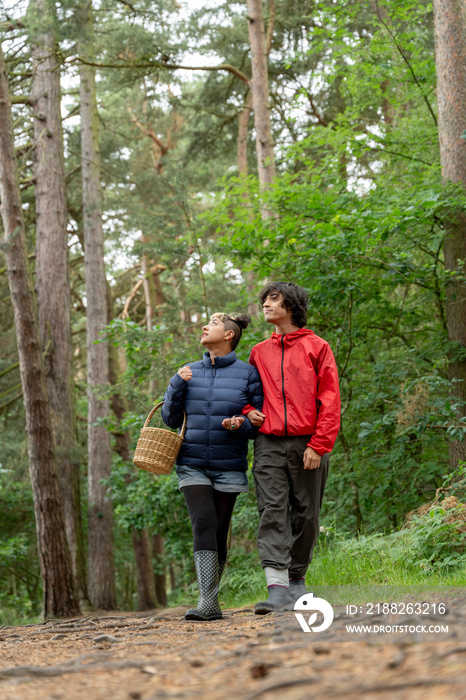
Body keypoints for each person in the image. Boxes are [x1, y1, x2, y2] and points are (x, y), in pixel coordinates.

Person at [241, 282, 340, 614]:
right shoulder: (258, 351)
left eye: (273, 299)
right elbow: (248, 396)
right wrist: (246, 413)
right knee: (271, 511)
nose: (266, 305)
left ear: (292, 305)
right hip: (268, 443)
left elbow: (329, 400)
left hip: (307, 443)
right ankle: (277, 588)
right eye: (265, 300)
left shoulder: (317, 347)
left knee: (307, 514)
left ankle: (297, 582)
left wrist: (319, 444)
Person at [161, 312, 263, 621]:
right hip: (191, 462)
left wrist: (240, 424)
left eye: (213, 324)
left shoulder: (248, 374)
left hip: (229, 464)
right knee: (203, 522)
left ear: (229, 335)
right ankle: (207, 601)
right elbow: (170, 419)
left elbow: (257, 423)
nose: (205, 327)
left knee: (219, 529)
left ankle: (211, 598)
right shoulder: (188, 371)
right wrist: (177, 384)